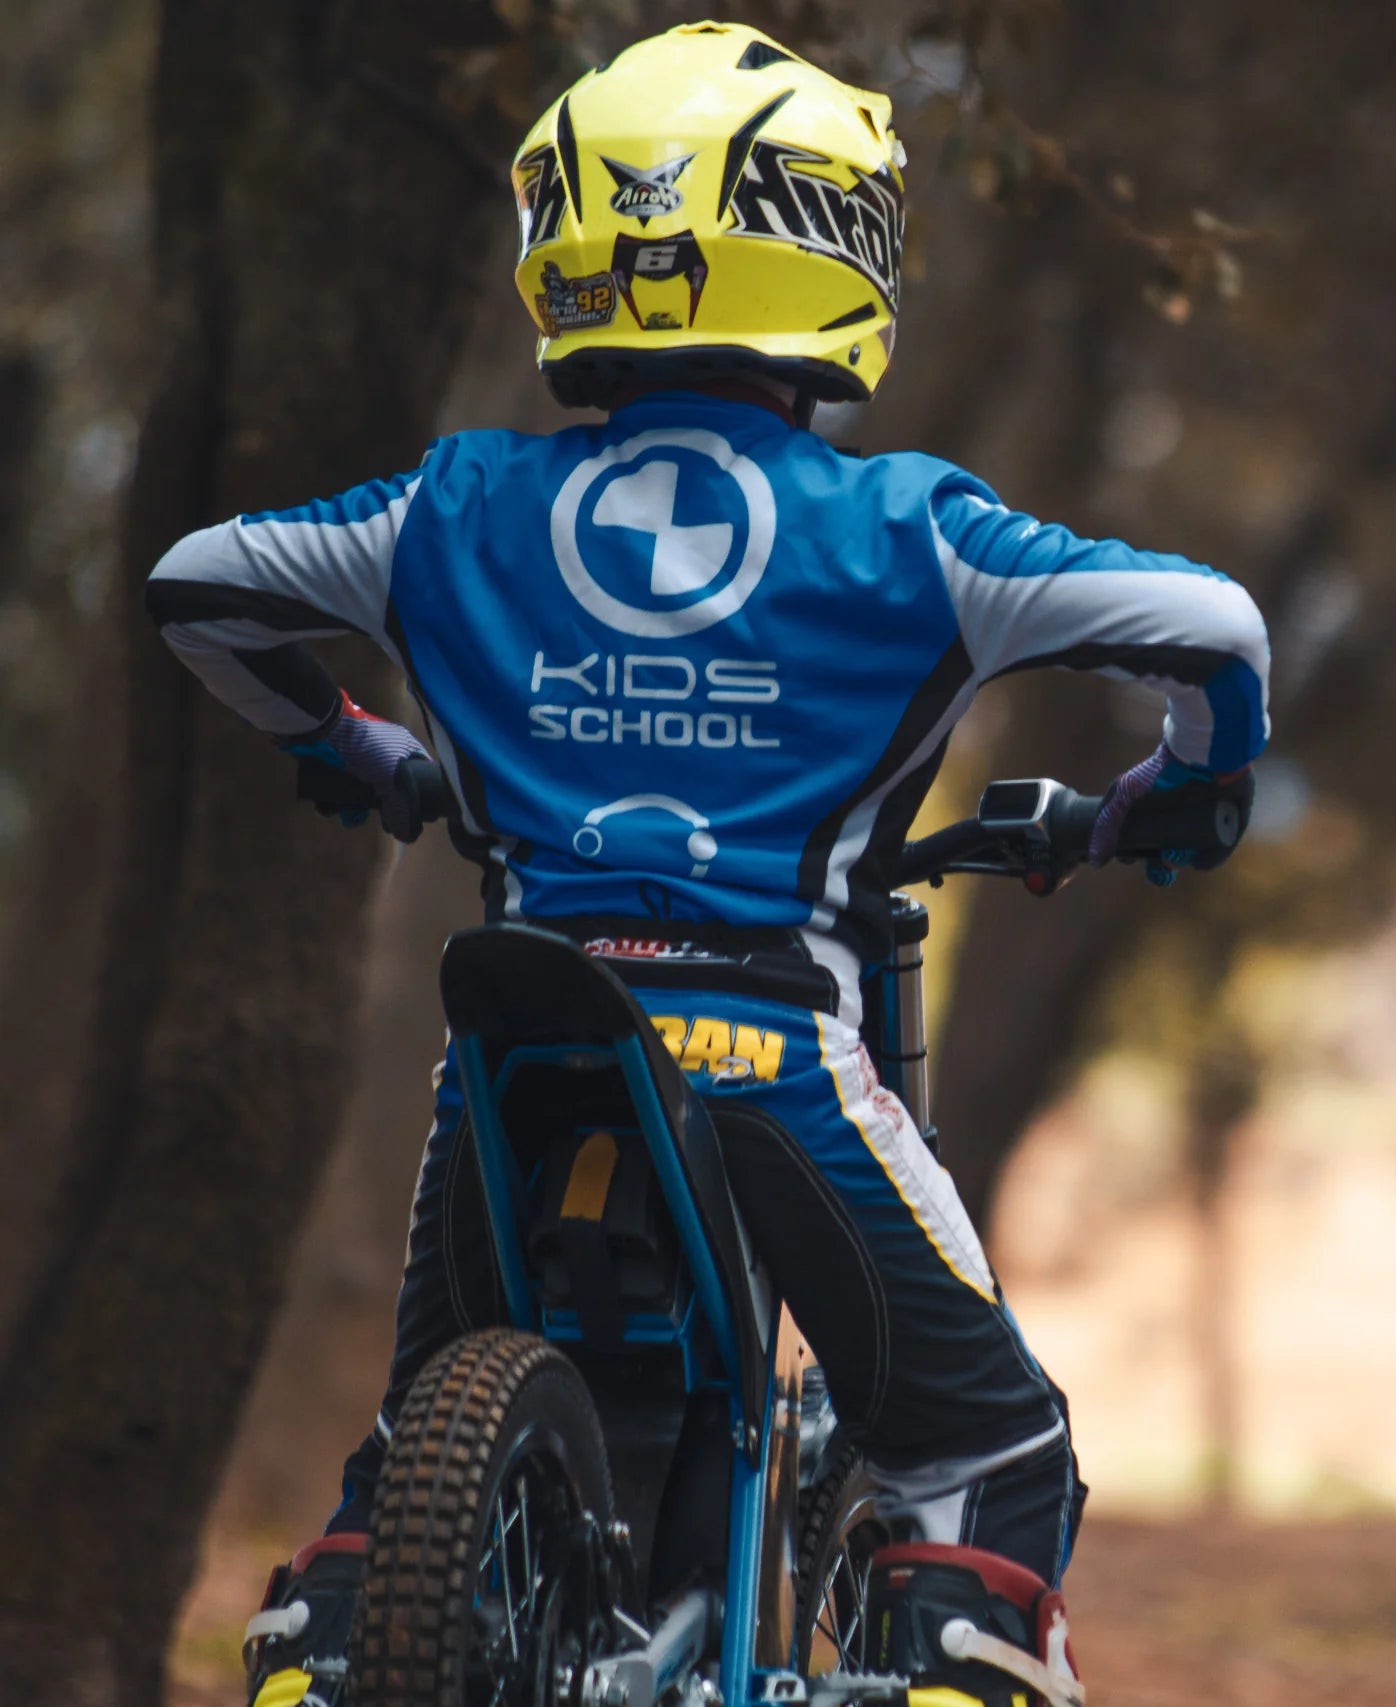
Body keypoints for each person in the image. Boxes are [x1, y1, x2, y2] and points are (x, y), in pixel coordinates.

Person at [143, 22, 1268, 1707]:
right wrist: (1186, 785)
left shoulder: (451, 507)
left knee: (400, 1468)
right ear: (827, 240)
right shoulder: (912, 530)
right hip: (774, 1051)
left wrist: (352, 748)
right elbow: (1214, 631)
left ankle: (328, 1654)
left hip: (515, 1047)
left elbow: (199, 589)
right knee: (991, 1449)